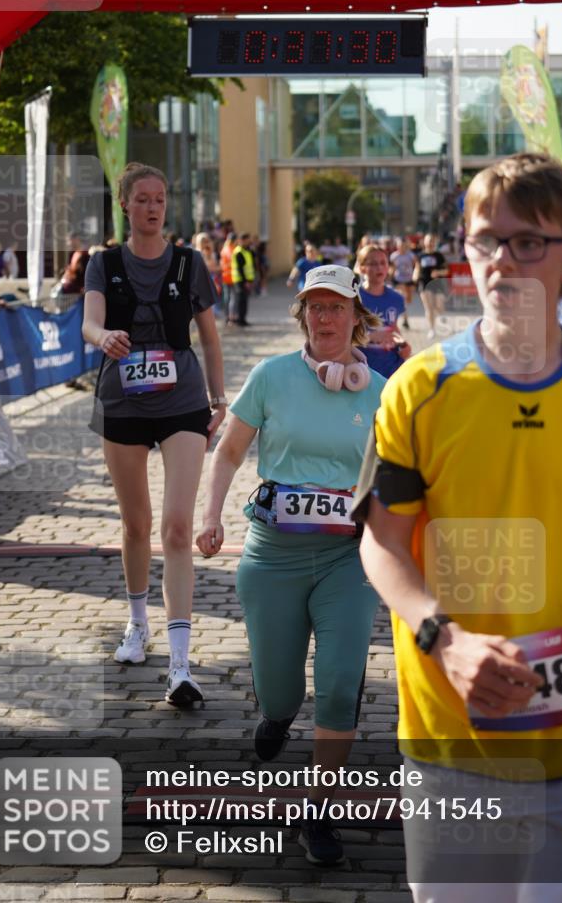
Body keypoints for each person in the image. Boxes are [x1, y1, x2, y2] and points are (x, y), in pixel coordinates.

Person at [354, 153, 562, 902]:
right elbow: (382, 541)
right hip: (451, 731)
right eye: (485, 240)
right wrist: (447, 639)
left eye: (528, 241)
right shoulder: (418, 389)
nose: (502, 259)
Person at [197, 264, 385, 866]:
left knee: (339, 686)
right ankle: (278, 715)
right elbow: (229, 450)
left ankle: (319, 813)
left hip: (348, 559)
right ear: (303, 315)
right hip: (272, 555)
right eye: (315, 307)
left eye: (337, 307)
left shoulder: (382, 392)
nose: (326, 318)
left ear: (357, 316)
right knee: (280, 688)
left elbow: (402, 474)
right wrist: (211, 515)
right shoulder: (271, 376)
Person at [82, 162, 226, 708]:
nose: (152, 207)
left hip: (182, 401)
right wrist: (104, 337)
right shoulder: (103, 263)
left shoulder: (189, 263)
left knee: (177, 526)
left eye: (160, 198)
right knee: (136, 524)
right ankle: (137, 623)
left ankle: (180, 666)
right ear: (125, 204)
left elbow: (210, 338)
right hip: (122, 401)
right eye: (142, 198)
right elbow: (89, 322)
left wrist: (218, 399)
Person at [356, 242, 411, 379]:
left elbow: (393, 328)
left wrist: (403, 344)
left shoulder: (396, 298)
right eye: (373, 264)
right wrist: (370, 337)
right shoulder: (353, 298)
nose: (379, 267)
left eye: (383, 263)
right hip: (362, 370)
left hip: (391, 366)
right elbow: (342, 340)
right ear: (362, 268)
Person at [413, 232, 449, 339]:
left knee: (439, 306)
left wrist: (438, 272)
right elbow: (417, 268)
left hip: (437, 284)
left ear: (435, 243)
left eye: (432, 241)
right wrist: (415, 276)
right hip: (424, 283)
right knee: (429, 307)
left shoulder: (439, 256)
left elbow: (446, 271)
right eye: (428, 241)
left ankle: (440, 314)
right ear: (424, 242)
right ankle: (432, 329)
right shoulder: (420, 256)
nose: (430, 243)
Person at [389, 235, 418, 328]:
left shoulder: (411, 255)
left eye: (403, 246)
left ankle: (404, 317)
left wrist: (415, 275)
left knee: (408, 300)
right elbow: (392, 268)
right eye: (400, 246)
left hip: (409, 280)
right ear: (397, 246)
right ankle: (404, 320)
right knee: (402, 298)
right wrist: (390, 277)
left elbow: (416, 266)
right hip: (398, 279)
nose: (401, 247)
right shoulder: (394, 256)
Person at [230, 231, 255, 327]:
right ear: (242, 240)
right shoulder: (238, 252)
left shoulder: (247, 251)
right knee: (240, 300)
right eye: (248, 240)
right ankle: (239, 320)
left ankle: (243, 319)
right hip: (240, 280)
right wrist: (245, 282)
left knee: (244, 300)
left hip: (247, 280)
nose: (249, 242)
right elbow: (240, 268)